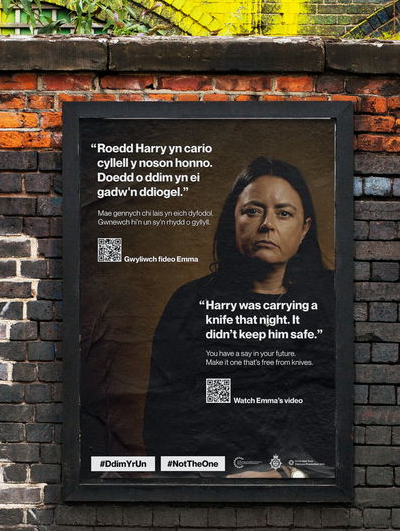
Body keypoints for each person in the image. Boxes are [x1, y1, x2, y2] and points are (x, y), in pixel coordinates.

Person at [143, 157, 335, 479]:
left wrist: (289, 473)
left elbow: (333, 409)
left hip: (307, 483)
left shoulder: (332, 300)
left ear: (304, 230)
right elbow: (163, 421)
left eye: (283, 213)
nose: (267, 225)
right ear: (233, 220)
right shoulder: (190, 303)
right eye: (252, 210)